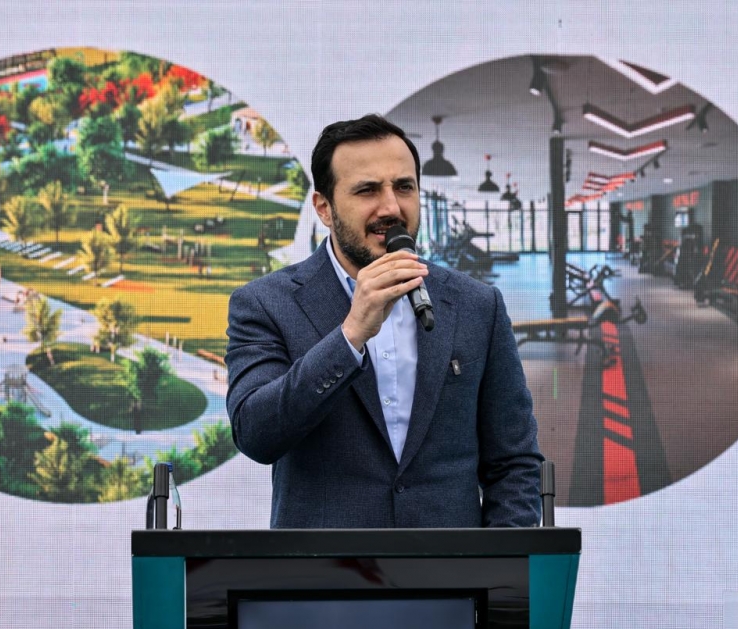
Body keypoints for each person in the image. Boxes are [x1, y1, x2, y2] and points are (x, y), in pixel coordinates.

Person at [225, 114, 543, 529]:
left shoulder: (477, 306)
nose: (391, 207)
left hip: (451, 567)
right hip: (323, 566)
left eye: (404, 187)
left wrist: (498, 562)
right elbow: (256, 434)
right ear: (324, 207)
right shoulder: (265, 303)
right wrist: (350, 335)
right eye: (367, 190)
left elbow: (514, 464)